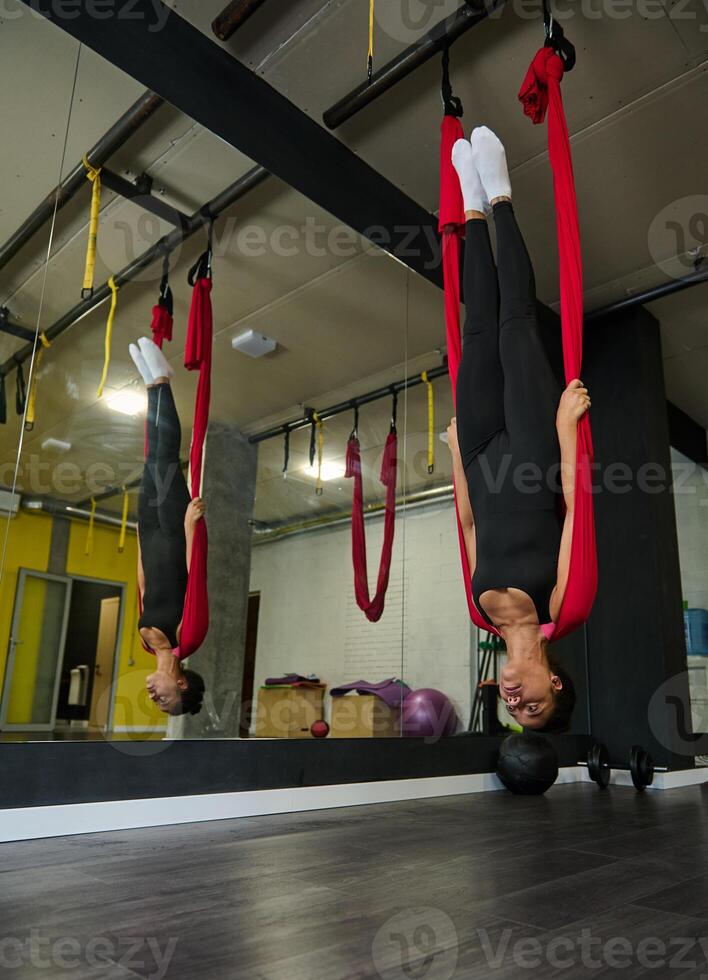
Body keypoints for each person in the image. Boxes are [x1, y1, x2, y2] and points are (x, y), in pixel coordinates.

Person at [448, 126, 590, 732]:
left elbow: (469, 522)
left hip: (480, 458)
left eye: (514, 711)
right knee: (513, 324)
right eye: (533, 703)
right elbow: (576, 511)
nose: (516, 700)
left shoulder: (482, 616)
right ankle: (502, 195)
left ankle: (472, 207)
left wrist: (457, 453)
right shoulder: (562, 607)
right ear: (553, 681)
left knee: (477, 329)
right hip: (535, 452)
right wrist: (565, 429)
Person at [129, 337, 206, 716]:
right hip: (176, 532)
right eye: (168, 702)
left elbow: (144, 586)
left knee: (151, 461)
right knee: (165, 459)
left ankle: (152, 387)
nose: (155, 699)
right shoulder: (187, 639)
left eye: (157, 705)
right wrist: (191, 527)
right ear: (181, 683)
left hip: (152, 533)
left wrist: (140, 539)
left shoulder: (147, 643)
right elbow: (195, 581)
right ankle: (163, 382)